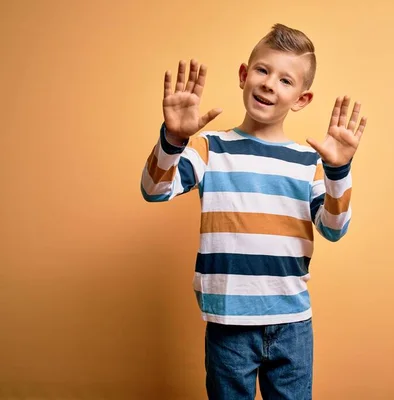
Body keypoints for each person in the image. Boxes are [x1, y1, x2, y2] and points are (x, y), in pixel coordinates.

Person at [141, 23, 367, 400]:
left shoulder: (307, 161)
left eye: (285, 80)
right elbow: (154, 189)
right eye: (262, 71)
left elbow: (333, 228)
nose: (269, 84)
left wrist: (338, 171)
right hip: (228, 323)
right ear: (244, 76)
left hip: (292, 324)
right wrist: (174, 139)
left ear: (301, 99)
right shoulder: (209, 148)